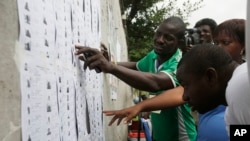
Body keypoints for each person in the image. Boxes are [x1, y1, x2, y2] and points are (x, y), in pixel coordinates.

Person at [103, 18, 246, 141]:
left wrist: (110, 67)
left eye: (225, 42)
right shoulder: (219, 89)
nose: (185, 96)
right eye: (216, 42)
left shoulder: (241, 85)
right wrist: (140, 106)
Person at [75, 16, 197, 141]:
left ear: (180, 42)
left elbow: (156, 83)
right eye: (158, 34)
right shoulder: (154, 55)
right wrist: (109, 63)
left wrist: (110, 67)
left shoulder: (181, 64)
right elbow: (136, 67)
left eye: (168, 38)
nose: (160, 40)